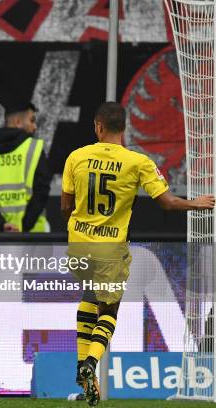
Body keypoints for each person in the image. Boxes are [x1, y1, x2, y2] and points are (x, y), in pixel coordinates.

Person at [61, 102, 215, 407]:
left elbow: (65, 206)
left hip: (78, 242)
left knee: (89, 296)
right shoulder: (138, 162)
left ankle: (85, 377)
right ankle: (89, 362)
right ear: (124, 129)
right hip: (110, 246)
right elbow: (167, 203)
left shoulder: (76, 157)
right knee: (109, 309)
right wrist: (196, 203)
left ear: (98, 127)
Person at [0, 102, 51, 232]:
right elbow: (41, 192)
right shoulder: (34, 148)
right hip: (32, 238)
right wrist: (24, 227)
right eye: (32, 120)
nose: (34, 126)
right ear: (18, 122)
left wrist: (0, 225)